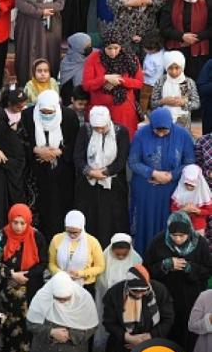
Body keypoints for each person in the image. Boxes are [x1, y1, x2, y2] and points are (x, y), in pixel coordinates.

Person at [129, 108, 195, 253]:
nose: (160, 134)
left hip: (171, 189)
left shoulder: (182, 135)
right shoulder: (141, 134)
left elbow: (190, 162)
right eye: (157, 130)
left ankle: (169, 256)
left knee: (169, 220)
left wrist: (172, 175)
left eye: (164, 131)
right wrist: (152, 173)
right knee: (146, 220)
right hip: (146, 188)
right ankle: (145, 255)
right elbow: (133, 162)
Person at [145, 211, 212, 352]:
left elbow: (207, 270)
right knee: (168, 329)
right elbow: (147, 269)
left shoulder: (200, 243)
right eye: (174, 235)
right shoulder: (158, 242)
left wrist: (190, 268)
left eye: (182, 236)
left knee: (189, 333)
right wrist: (165, 265)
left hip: (191, 298)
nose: (178, 239)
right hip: (166, 297)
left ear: (189, 231)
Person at [0, 204, 48, 352]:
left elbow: (43, 263)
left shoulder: (36, 236)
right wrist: (12, 275)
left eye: (22, 223)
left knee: (27, 329)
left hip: (29, 290)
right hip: (7, 294)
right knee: (7, 328)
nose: (18, 227)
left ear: (28, 222)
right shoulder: (2, 235)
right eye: (15, 222)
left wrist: (26, 275)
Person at [73, 105, 130, 248]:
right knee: (91, 217)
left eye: (102, 128)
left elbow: (121, 159)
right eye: (96, 128)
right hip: (89, 184)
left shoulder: (121, 131)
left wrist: (106, 172)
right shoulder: (85, 130)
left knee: (111, 219)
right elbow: (78, 157)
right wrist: (90, 172)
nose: (99, 131)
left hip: (113, 185)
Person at [23, 90, 79, 237]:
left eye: (50, 112)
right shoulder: (28, 116)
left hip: (62, 171)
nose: (47, 115)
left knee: (60, 206)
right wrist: (36, 150)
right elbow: (21, 140)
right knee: (41, 207)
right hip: (36, 170)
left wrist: (59, 152)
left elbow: (75, 142)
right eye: (43, 112)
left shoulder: (68, 116)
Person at [26, 272, 98, 352]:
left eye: (66, 298)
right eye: (58, 299)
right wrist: (51, 332)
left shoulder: (83, 299)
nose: (62, 302)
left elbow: (92, 327)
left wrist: (70, 335)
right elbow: (31, 324)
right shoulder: (42, 296)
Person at [82, 27, 145, 140]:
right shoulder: (93, 58)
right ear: (103, 47)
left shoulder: (130, 58)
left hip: (124, 111)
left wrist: (120, 81)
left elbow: (139, 83)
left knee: (123, 141)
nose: (113, 52)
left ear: (121, 46)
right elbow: (87, 85)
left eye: (116, 48)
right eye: (109, 48)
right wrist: (105, 78)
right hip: (101, 110)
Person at [102, 264, 174, 352]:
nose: (139, 295)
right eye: (135, 291)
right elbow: (109, 323)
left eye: (143, 291)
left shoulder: (159, 290)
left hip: (153, 345)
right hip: (121, 347)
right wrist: (128, 338)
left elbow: (168, 319)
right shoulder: (114, 293)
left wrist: (150, 336)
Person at [13, 0, 66, 85]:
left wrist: (36, 6)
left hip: (50, 24)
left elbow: (60, 3)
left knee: (48, 52)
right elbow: (20, 2)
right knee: (26, 52)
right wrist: (40, 12)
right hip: (27, 24)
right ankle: (26, 84)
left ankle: (48, 84)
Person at [160, 0, 211, 81]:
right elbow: (164, 28)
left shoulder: (208, 1)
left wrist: (196, 38)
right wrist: (182, 37)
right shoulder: (172, 2)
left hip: (200, 51)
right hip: (177, 48)